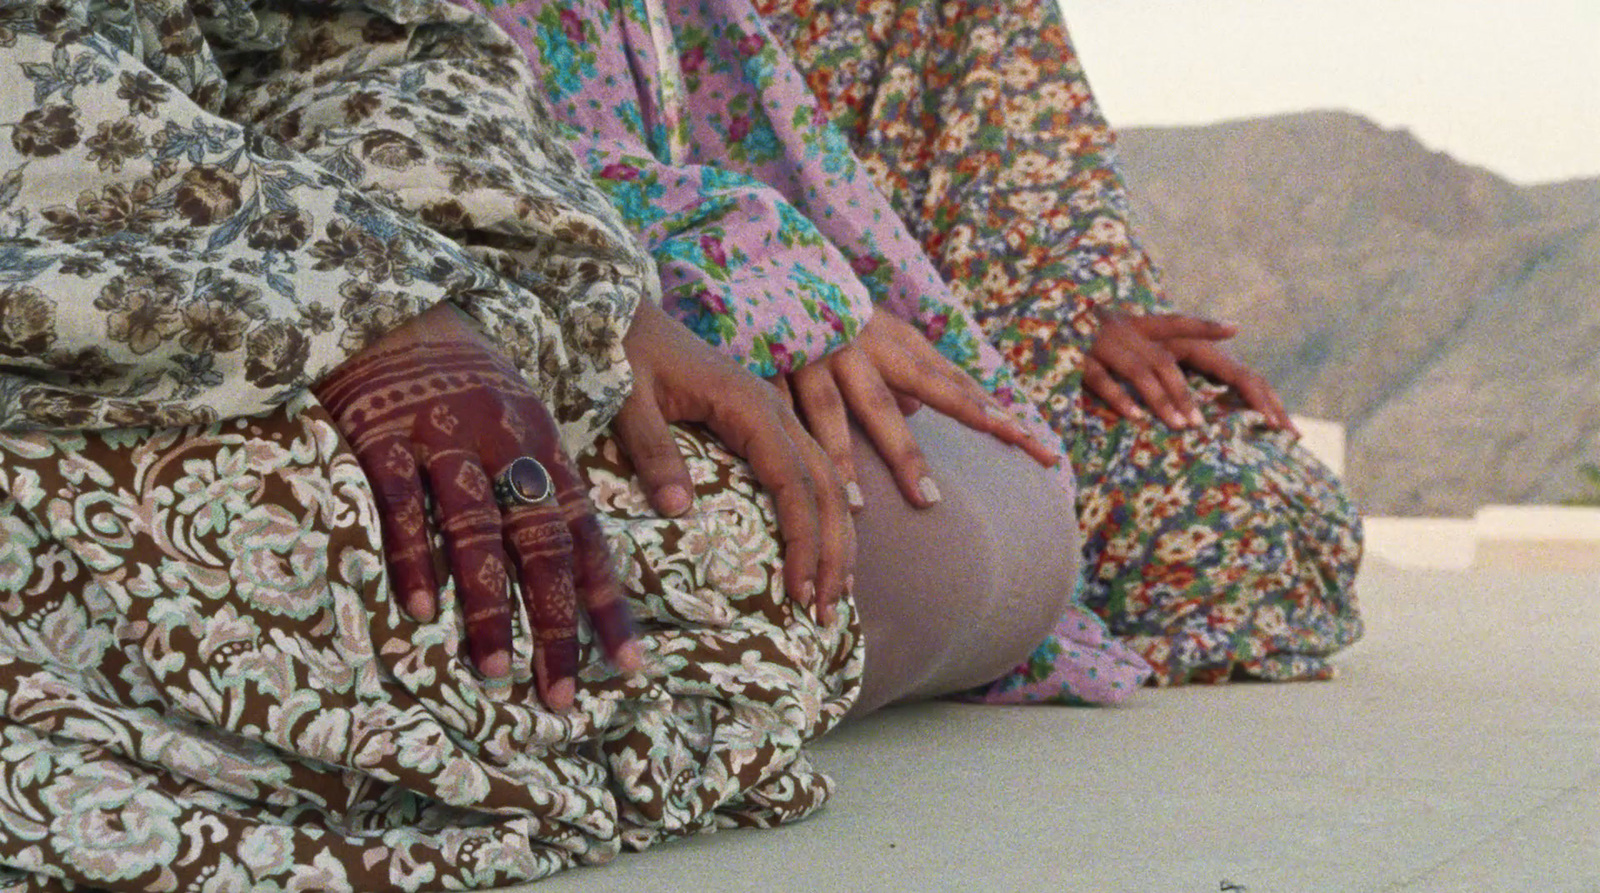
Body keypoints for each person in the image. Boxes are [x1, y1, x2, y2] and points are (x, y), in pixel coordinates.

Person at [0, 0, 884, 887]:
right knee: (335, 559)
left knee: (693, 527)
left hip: (266, 257)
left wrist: (561, 278)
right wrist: (354, 301)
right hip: (87, 312)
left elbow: (359, 38)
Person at [454, 0, 1158, 709]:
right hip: (491, 298)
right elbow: (412, 122)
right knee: (920, 554)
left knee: (1049, 512)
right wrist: (673, 280)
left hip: (720, 272)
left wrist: (1085, 298)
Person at [757, 0, 1365, 684]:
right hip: (748, 323)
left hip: (983, 345)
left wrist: (1079, 308)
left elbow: (1029, 175)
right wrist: (792, 299)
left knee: (1255, 503)